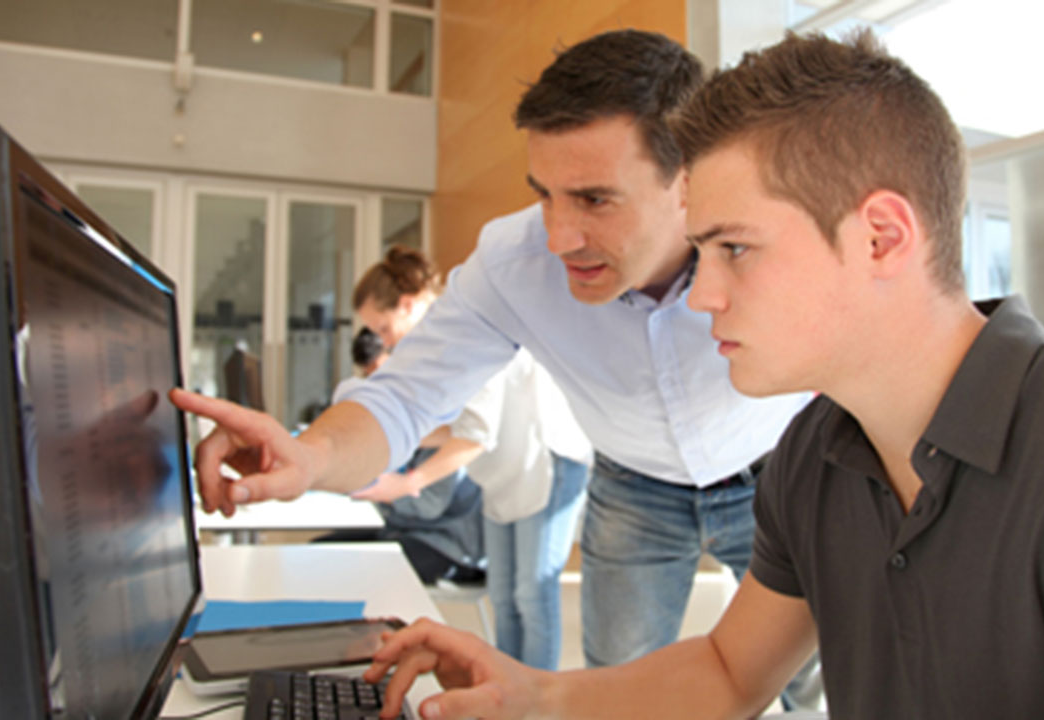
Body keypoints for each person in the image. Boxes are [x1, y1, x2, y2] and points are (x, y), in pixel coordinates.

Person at [359, 29, 1044, 720]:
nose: (705, 298)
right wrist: (533, 695)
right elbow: (729, 672)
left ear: (882, 236)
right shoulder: (816, 453)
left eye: (735, 248)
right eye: (703, 253)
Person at [169, 29, 817, 706]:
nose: (560, 238)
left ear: (688, 180)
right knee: (619, 685)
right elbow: (404, 397)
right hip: (635, 484)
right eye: (545, 195)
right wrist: (311, 456)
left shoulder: (765, 240)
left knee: (808, 674)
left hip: (780, 467)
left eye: (595, 199)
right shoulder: (513, 262)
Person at [348, 246, 593, 670]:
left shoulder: (462, 326)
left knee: (533, 594)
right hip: (505, 468)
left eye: (384, 329)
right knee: (504, 595)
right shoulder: (435, 342)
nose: (383, 342)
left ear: (407, 305)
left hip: (545, 460)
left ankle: (532, 706)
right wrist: (385, 442)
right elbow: (458, 423)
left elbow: (475, 435)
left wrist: (408, 482)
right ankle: (508, 691)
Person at [321, 324, 486, 586]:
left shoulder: (444, 418)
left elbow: (429, 505)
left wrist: (387, 493)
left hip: (444, 543)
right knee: (317, 554)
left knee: (344, 571)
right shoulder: (405, 420)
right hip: (403, 529)